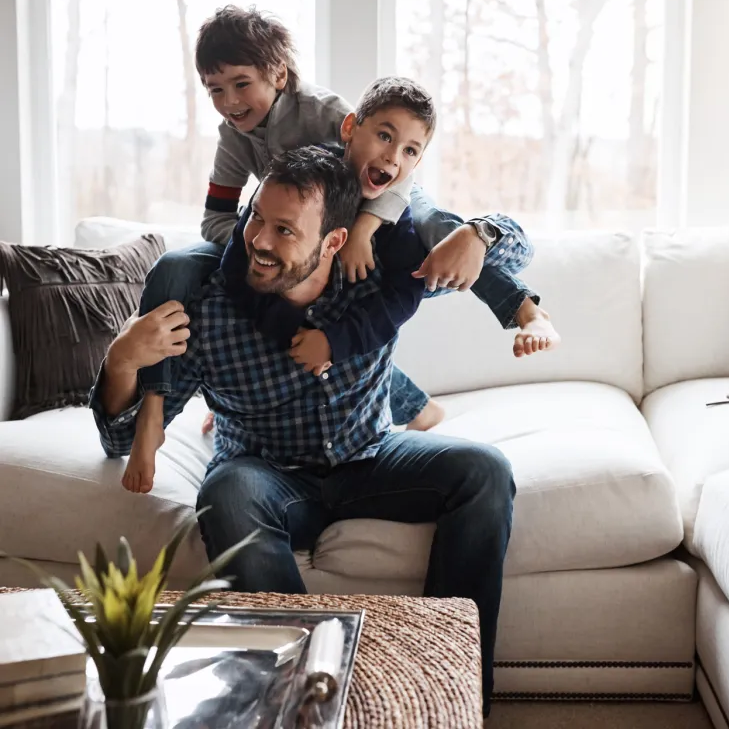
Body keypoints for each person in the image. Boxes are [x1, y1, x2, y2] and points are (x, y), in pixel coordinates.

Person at [91, 147, 515, 715]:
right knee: (227, 492)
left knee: (485, 470)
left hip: (372, 455)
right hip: (267, 476)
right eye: (256, 219)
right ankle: (307, 702)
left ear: (334, 241)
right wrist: (121, 360)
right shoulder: (210, 310)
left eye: (285, 230)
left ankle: (452, 684)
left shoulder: (376, 276)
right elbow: (121, 442)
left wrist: (479, 234)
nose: (260, 241)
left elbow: (516, 254)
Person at [124, 4, 559, 493]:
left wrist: (365, 229)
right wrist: (265, 242)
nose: (229, 101)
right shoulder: (235, 138)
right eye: (215, 90)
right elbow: (216, 219)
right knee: (177, 266)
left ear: (279, 74)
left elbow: (386, 171)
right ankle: (156, 408)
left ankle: (524, 311)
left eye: (241, 84)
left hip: (380, 209)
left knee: (439, 236)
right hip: (296, 241)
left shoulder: (326, 115)